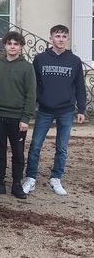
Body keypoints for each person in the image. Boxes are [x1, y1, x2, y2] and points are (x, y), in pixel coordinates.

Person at [22, 24, 86, 196]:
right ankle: (30, 178)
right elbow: (33, 85)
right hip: (44, 109)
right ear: (51, 38)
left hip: (66, 110)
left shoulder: (74, 61)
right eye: (57, 36)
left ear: (67, 39)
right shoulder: (40, 59)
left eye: (64, 37)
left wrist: (81, 110)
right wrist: (28, 108)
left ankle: (55, 178)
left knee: (62, 147)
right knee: (35, 145)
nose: (61, 39)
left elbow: (80, 86)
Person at [0, 31, 36, 199]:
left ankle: (16, 184)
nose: (12, 47)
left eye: (16, 44)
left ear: (20, 47)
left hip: (17, 118)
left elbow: (31, 95)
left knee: (18, 153)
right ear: (5, 45)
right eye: (9, 43)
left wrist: (25, 118)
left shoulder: (27, 67)